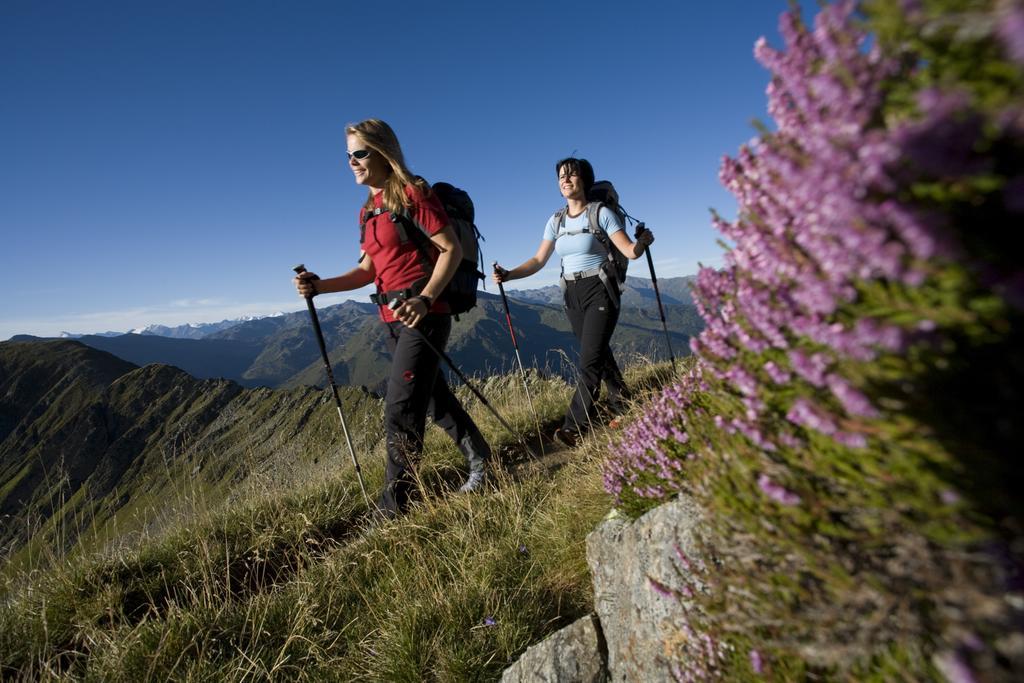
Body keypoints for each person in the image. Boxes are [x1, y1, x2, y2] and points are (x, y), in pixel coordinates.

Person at [294, 119, 491, 518]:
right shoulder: (368, 211)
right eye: (348, 155)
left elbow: (450, 250)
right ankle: (483, 460)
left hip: (425, 314)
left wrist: (423, 298)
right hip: (390, 317)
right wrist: (320, 285)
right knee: (433, 398)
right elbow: (367, 271)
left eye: (360, 153)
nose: (352, 162)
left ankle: (394, 508)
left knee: (400, 409)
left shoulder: (412, 194)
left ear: (384, 152)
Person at [493, 157, 654, 447]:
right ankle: (622, 400)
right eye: (561, 177)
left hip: (600, 289)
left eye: (572, 175)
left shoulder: (601, 213)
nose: (565, 180)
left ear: (585, 180)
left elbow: (629, 251)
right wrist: (509, 275)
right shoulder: (555, 221)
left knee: (589, 361)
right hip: (571, 294)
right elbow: (538, 260)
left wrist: (642, 242)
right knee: (597, 351)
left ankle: (573, 427)